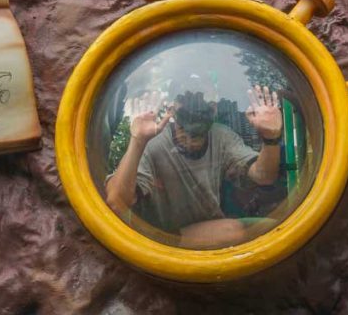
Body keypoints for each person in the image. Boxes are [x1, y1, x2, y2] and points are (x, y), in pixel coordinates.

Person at [105, 84, 283, 249]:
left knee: (274, 231)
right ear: (172, 111)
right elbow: (117, 201)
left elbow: (263, 176)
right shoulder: (153, 144)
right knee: (233, 231)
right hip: (159, 243)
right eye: (184, 130)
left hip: (206, 232)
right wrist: (138, 141)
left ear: (213, 110)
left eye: (198, 133)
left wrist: (271, 138)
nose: (190, 140)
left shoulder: (221, 137)